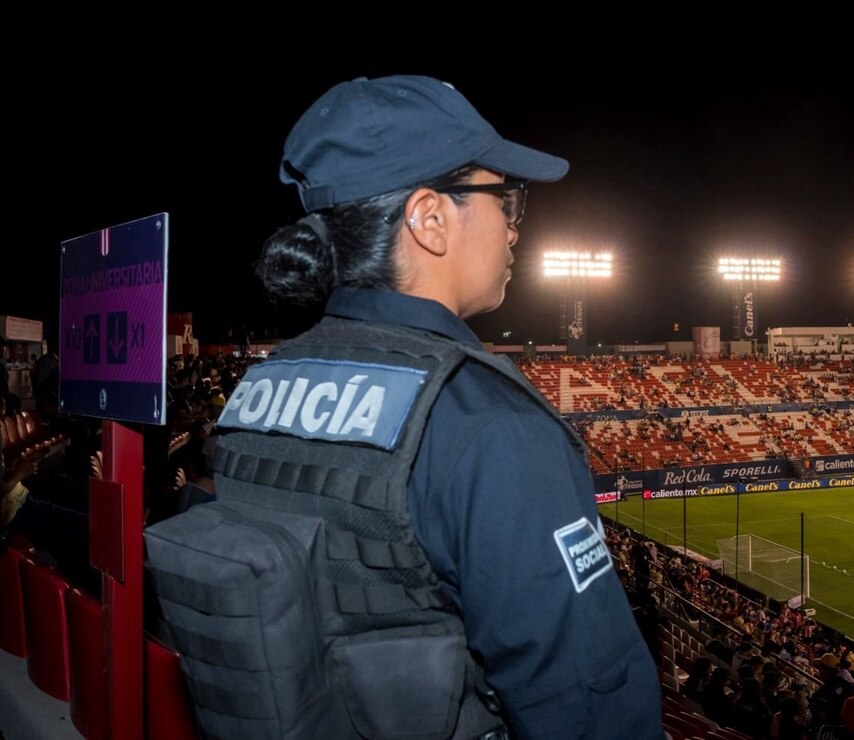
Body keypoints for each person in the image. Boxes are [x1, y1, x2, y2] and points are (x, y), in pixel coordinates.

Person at [212, 76, 661, 738]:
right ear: (428, 219)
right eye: (503, 199)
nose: (513, 227)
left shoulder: (260, 387)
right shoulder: (489, 426)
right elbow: (588, 703)